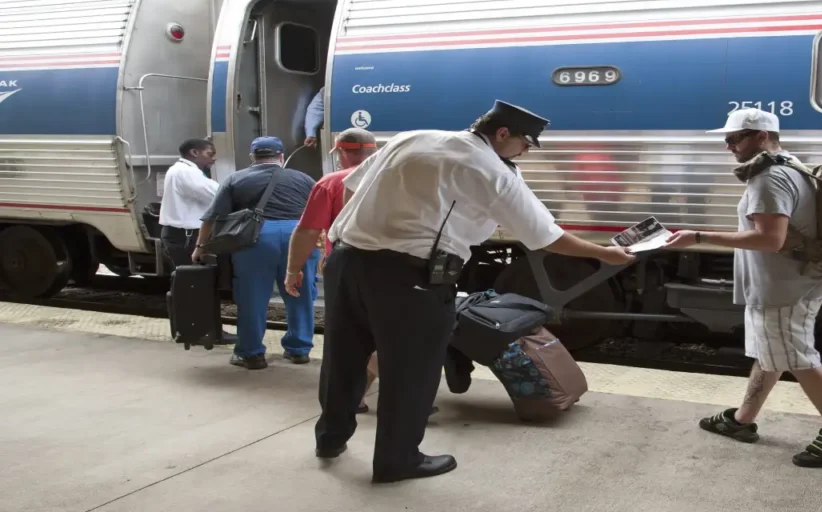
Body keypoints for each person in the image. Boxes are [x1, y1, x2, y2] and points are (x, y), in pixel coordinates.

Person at [314, 100, 636, 483]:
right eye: (526, 143)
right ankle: (397, 459)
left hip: (347, 261)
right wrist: (607, 255)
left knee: (343, 354)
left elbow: (353, 187)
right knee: (411, 370)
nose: (527, 152)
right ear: (502, 134)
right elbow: (548, 238)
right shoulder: (491, 170)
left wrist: (344, 242)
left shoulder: (412, 137)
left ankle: (330, 439)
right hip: (408, 279)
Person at [664, 108, 822, 468]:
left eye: (734, 138)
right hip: (790, 282)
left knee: (800, 359)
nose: (728, 146)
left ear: (760, 137)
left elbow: (770, 239)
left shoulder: (768, 178)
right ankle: (742, 419)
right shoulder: (791, 165)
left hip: (784, 288)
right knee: (773, 352)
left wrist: (698, 236)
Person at [284, 128, 389, 413]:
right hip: (395, 267)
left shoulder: (331, 182)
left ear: (342, 152)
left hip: (348, 268)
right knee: (379, 333)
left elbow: (307, 231)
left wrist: (293, 270)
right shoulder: (392, 178)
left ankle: (403, 392)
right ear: (374, 150)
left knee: (354, 336)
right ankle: (358, 397)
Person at [193, 137, 320, 370]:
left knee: (252, 297)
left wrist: (201, 247)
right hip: (300, 235)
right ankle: (299, 350)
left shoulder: (236, 178)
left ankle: (251, 354)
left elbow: (211, 218)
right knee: (300, 293)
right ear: (281, 157)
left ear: (252, 157)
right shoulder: (304, 179)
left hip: (256, 238)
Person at [158, 138, 236, 345]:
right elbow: (218, 194)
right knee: (198, 286)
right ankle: (204, 332)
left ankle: (198, 330)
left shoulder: (180, 170)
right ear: (194, 152)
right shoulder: (186, 172)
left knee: (192, 285)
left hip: (181, 235)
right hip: (186, 237)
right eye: (210, 154)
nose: (214, 158)